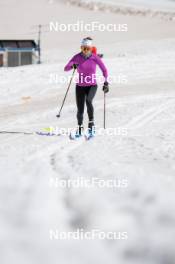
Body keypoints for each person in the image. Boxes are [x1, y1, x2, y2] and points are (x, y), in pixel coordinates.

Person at [64, 37, 109, 137]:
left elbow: (104, 70)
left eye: (87, 48)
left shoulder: (95, 57)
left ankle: (91, 125)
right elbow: (66, 68)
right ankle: (80, 128)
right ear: (81, 48)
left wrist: (106, 83)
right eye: (83, 48)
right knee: (80, 110)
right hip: (80, 86)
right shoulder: (77, 57)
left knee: (89, 101)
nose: (85, 51)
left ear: (91, 48)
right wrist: (72, 65)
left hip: (92, 85)